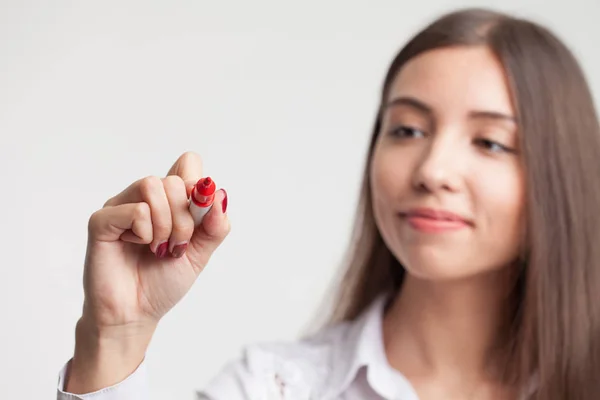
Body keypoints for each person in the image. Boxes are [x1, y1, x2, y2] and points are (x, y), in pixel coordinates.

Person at [56, 7, 600, 400]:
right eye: (407, 130)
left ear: (561, 178)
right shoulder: (272, 388)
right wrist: (115, 335)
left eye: (490, 142)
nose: (433, 170)